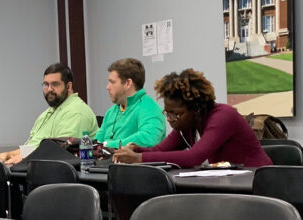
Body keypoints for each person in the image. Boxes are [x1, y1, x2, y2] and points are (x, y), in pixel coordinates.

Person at [113, 68, 272, 168]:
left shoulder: (224, 116)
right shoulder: (188, 124)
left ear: (195, 109)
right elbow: (160, 150)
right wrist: (135, 149)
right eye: (167, 112)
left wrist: (139, 158)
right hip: (230, 184)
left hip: (257, 182)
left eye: (175, 113)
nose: (169, 119)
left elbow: (193, 157)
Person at [0, 62, 98, 164]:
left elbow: (61, 152)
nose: (49, 89)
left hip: (58, 177)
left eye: (55, 84)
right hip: (37, 168)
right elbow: (31, 148)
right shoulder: (47, 113)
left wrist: (22, 158)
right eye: (46, 84)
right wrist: (8, 155)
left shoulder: (76, 111)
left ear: (68, 86)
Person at [94, 58, 165, 148]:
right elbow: (97, 143)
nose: (107, 87)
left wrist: (108, 145)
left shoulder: (151, 109)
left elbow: (148, 138)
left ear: (128, 83)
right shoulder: (111, 112)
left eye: (112, 82)